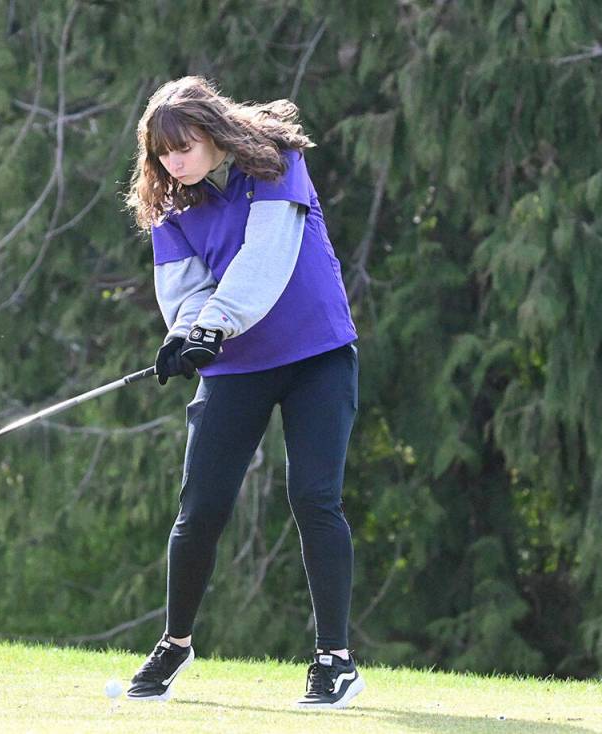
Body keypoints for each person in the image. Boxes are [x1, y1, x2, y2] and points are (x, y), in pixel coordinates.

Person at [123, 76, 363, 710]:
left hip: (318, 353)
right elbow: (184, 290)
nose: (175, 162)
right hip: (237, 366)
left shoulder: (276, 162)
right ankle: (174, 644)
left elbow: (266, 259)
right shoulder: (171, 206)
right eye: (163, 153)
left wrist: (209, 327)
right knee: (200, 507)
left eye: (185, 145)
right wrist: (185, 335)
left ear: (212, 131)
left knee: (315, 497)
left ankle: (333, 659)